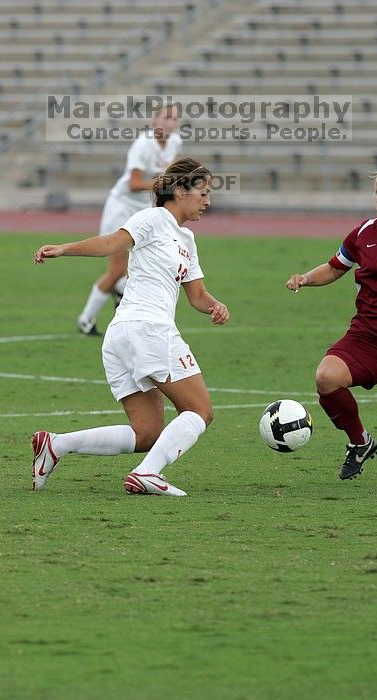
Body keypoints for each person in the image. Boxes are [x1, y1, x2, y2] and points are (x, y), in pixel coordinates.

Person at [32, 156, 229, 496]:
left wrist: (215, 306)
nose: (208, 202)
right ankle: (147, 473)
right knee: (200, 410)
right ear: (181, 190)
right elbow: (111, 243)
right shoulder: (153, 218)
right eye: (204, 193)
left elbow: (196, 295)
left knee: (147, 433)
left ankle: (56, 445)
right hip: (147, 329)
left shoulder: (188, 240)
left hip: (125, 333)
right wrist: (63, 248)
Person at [286, 161, 377, 480]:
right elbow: (335, 267)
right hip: (369, 337)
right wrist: (306, 278)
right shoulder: (363, 233)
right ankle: (359, 442)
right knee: (327, 377)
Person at [78, 104, 182, 335]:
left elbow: (164, 176)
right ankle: (86, 319)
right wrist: (161, 185)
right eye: (166, 117)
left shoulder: (175, 142)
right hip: (121, 207)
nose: (171, 123)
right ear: (154, 120)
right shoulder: (143, 144)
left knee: (137, 266)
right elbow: (134, 184)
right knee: (117, 270)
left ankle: (122, 294)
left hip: (143, 209)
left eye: (175, 119)